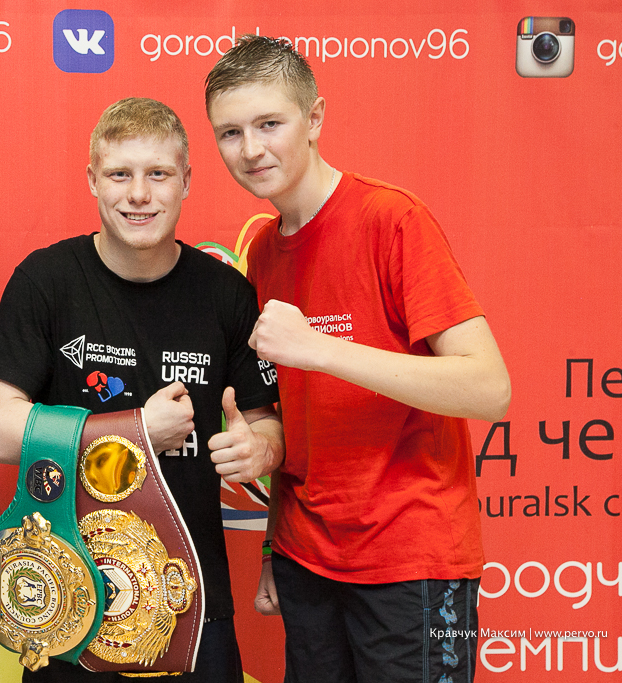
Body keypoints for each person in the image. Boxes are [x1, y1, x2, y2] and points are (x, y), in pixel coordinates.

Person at [204, 36, 512, 683]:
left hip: (410, 562)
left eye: (269, 123)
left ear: (315, 118)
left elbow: (488, 387)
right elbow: (296, 420)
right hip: (307, 559)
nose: (251, 149)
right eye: (231, 132)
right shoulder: (262, 252)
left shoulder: (391, 219)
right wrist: (272, 542)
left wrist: (321, 348)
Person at [0, 97, 283, 682]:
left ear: (186, 180)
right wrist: (136, 432)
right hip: (67, 598)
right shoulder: (46, 280)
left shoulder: (226, 293)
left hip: (192, 599)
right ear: (93, 180)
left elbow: (267, 425)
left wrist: (260, 448)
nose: (139, 194)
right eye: (119, 174)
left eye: (158, 174)